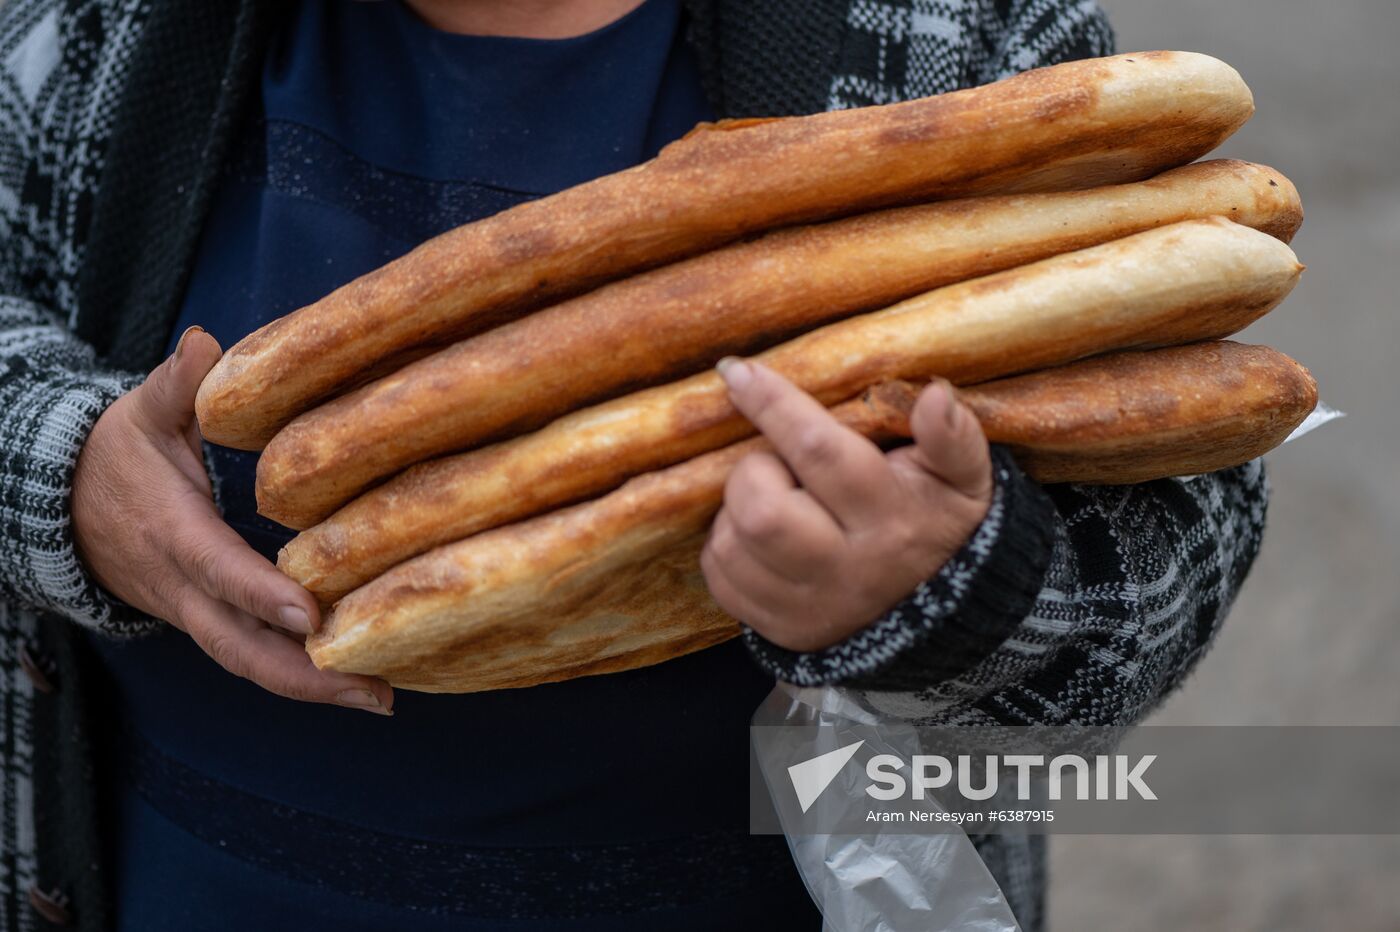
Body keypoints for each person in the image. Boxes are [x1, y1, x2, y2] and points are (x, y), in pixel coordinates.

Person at [0, 0, 1268, 929]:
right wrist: (65, 473)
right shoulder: (89, 36)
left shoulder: (951, 35)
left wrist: (952, 588)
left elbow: (1190, 506)